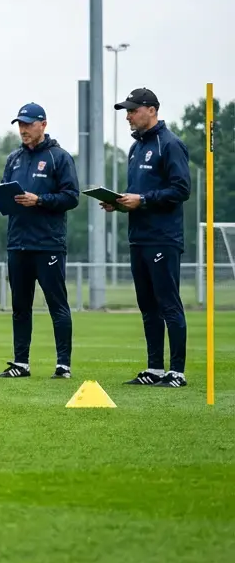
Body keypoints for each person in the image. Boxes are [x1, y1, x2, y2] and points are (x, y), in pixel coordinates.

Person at [105, 88, 192, 388]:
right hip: (138, 238)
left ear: (151, 110)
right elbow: (138, 197)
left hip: (163, 238)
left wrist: (141, 199)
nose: (127, 116)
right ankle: (155, 369)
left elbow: (181, 190)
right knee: (148, 306)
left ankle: (176, 372)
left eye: (132, 110)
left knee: (169, 304)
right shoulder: (135, 148)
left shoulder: (170, 144)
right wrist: (118, 203)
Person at [0, 102, 79, 380]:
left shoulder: (59, 157)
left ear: (43, 124)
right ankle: (21, 363)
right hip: (18, 243)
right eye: (20, 124)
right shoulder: (13, 159)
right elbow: (7, 193)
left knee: (57, 305)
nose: (23, 129)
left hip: (48, 245)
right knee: (20, 307)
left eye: (28, 124)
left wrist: (39, 200)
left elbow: (71, 197)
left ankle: (63, 365)